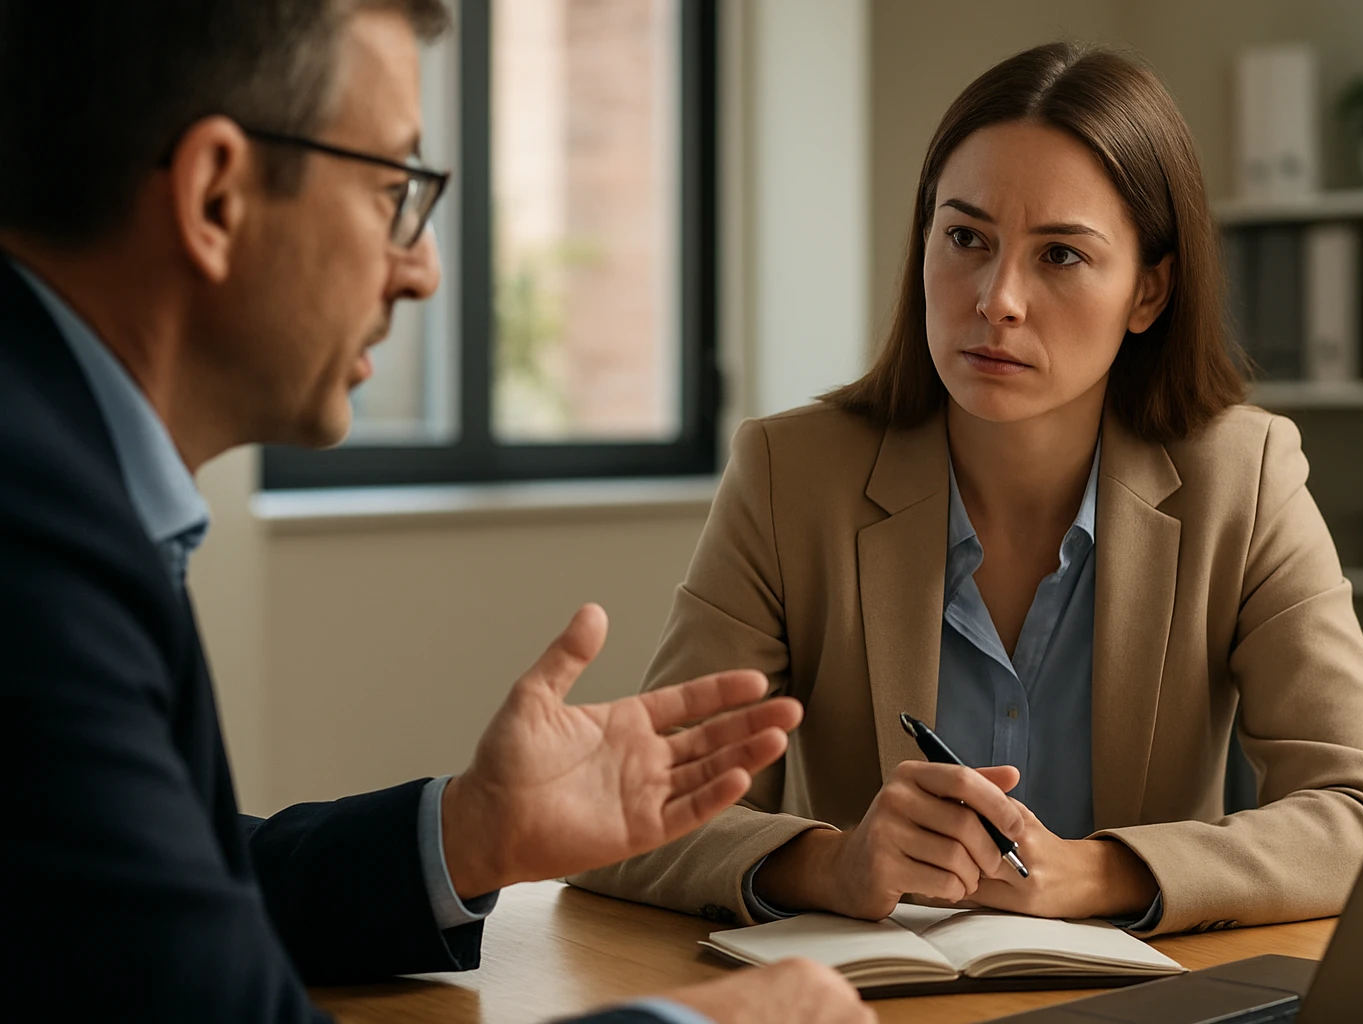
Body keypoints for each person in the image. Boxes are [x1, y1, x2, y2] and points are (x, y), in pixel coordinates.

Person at [0, 3, 875, 1022]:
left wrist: (466, 830)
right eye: (391, 194)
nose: (423, 271)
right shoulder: (35, 530)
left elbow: (170, 892)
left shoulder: (58, 462)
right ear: (217, 196)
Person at [570, 42, 1363, 937]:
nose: (997, 299)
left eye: (1061, 257)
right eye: (966, 238)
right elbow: (633, 821)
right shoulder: (789, 474)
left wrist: (1102, 872)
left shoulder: (1245, 477)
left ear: (1150, 292)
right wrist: (837, 861)